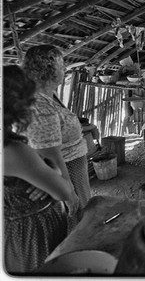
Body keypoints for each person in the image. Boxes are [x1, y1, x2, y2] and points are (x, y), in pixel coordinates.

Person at [3, 65, 79, 274]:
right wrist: (52, 173)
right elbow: (62, 191)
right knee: (45, 271)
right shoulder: (13, 151)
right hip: (32, 232)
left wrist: (42, 175)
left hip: (14, 230)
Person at [22, 45, 90, 228]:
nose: (65, 69)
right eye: (61, 66)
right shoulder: (39, 105)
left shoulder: (48, 97)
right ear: (48, 70)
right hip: (65, 173)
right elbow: (48, 153)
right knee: (74, 222)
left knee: (81, 219)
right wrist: (67, 191)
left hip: (72, 169)